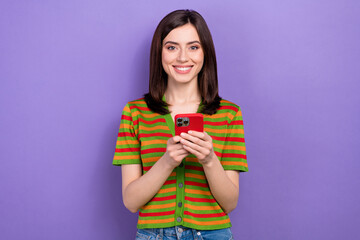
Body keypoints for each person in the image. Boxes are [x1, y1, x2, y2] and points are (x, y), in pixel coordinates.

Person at [113, 9, 248, 240]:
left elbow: (230, 202)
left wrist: (209, 159)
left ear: (205, 52)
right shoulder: (135, 113)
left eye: (193, 47)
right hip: (154, 235)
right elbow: (131, 202)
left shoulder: (229, 114)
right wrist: (167, 161)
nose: (183, 57)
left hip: (212, 234)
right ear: (160, 52)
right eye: (172, 47)